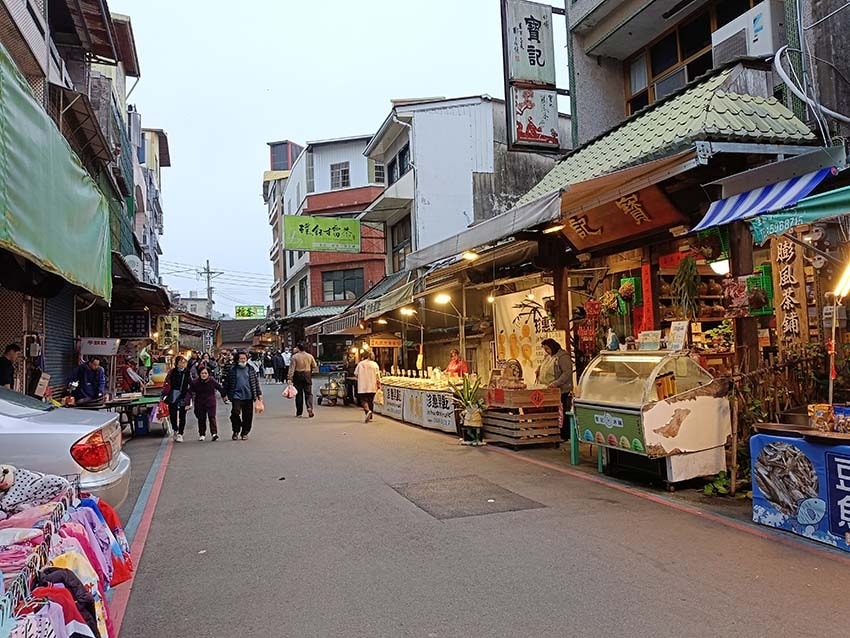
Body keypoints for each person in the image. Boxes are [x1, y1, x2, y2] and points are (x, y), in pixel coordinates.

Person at [223, 350, 263, 440]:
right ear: (237, 359)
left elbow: (255, 382)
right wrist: (224, 394)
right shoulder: (233, 370)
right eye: (241, 358)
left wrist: (259, 394)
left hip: (248, 396)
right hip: (236, 395)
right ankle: (236, 430)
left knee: (248, 416)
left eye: (244, 358)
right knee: (235, 413)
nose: (243, 360)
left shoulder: (250, 369)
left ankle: (245, 432)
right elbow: (226, 383)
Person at [538, 338, 574, 440]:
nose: (546, 351)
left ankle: (564, 434)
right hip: (549, 390)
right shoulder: (548, 357)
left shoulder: (563, 357)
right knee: (552, 412)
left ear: (553, 347)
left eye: (547, 349)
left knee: (561, 413)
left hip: (561, 390)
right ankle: (553, 431)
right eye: (545, 349)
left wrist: (556, 383)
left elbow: (567, 373)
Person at [162, 356, 191, 442]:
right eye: (181, 362)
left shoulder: (187, 372)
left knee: (182, 415)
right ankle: (175, 429)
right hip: (173, 395)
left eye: (184, 362)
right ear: (177, 363)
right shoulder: (172, 372)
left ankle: (180, 433)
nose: (183, 364)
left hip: (183, 395)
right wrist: (164, 394)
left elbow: (191, 384)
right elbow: (167, 383)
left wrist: (190, 398)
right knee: (173, 415)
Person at [190, 366, 224, 442]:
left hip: (210, 402)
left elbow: (220, 388)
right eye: (202, 373)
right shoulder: (195, 382)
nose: (204, 375)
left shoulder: (212, 380)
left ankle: (214, 434)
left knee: (212, 417)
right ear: (199, 374)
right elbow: (190, 392)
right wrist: (188, 402)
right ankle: (202, 434)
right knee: (201, 418)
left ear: (208, 374)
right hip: (199, 402)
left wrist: (225, 395)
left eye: (205, 373)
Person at [287, 343, 318, 418]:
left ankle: (299, 413)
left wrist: (289, 378)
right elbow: (314, 365)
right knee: (308, 393)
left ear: (298, 348)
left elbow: (292, 369)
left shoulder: (295, 357)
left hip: (298, 375)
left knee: (299, 394)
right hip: (307, 374)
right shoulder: (309, 356)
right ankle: (309, 407)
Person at [354, 351, 381, 422]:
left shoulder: (360, 364)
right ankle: (370, 415)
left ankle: (367, 410)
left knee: (363, 400)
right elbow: (378, 376)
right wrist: (379, 384)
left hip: (362, 386)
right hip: (372, 386)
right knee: (370, 400)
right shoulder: (375, 364)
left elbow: (356, 374)